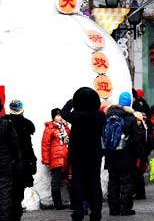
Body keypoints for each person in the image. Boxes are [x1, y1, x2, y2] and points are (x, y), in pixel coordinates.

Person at [61, 87, 106, 221]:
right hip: (94, 155)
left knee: (77, 184)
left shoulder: (76, 117)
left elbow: (63, 112)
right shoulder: (100, 116)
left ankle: (78, 212)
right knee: (94, 184)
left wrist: (71, 103)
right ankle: (96, 213)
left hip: (78, 155)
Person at [104, 92, 143, 216]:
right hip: (127, 157)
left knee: (113, 182)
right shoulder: (130, 118)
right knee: (126, 183)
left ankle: (113, 209)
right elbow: (136, 139)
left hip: (111, 155)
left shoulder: (108, 116)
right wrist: (140, 156)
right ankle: (125, 209)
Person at [5, 99, 36, 221]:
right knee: (18, 192)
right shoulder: (27, 125)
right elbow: (28, 148)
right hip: (22, 164)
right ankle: (16, 216)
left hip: (7, 163)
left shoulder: (5, 122)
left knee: (7, 191)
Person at [42, 108, 71, 210]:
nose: (60, 118)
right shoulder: (49, 128)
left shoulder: (66, 128)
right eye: (57, 116)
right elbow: (45, 145)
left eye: (61, 115)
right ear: (53, 117)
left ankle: (74, 202)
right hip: (56, 159)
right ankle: (58, 204)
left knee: (70, 180)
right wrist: (46, 160)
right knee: (56, 182)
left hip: (67, 158)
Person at [132, 111, 154, 201]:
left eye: (138, 120)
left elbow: (150, 143)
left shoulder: (144, 130)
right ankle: (138, 192)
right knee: (137, 174)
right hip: (137, 155)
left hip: (141, 156)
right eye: (136, 120)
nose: (137, 122)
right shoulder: (138, 130)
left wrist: (145, 153)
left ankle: (140, 193)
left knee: (138, 175)